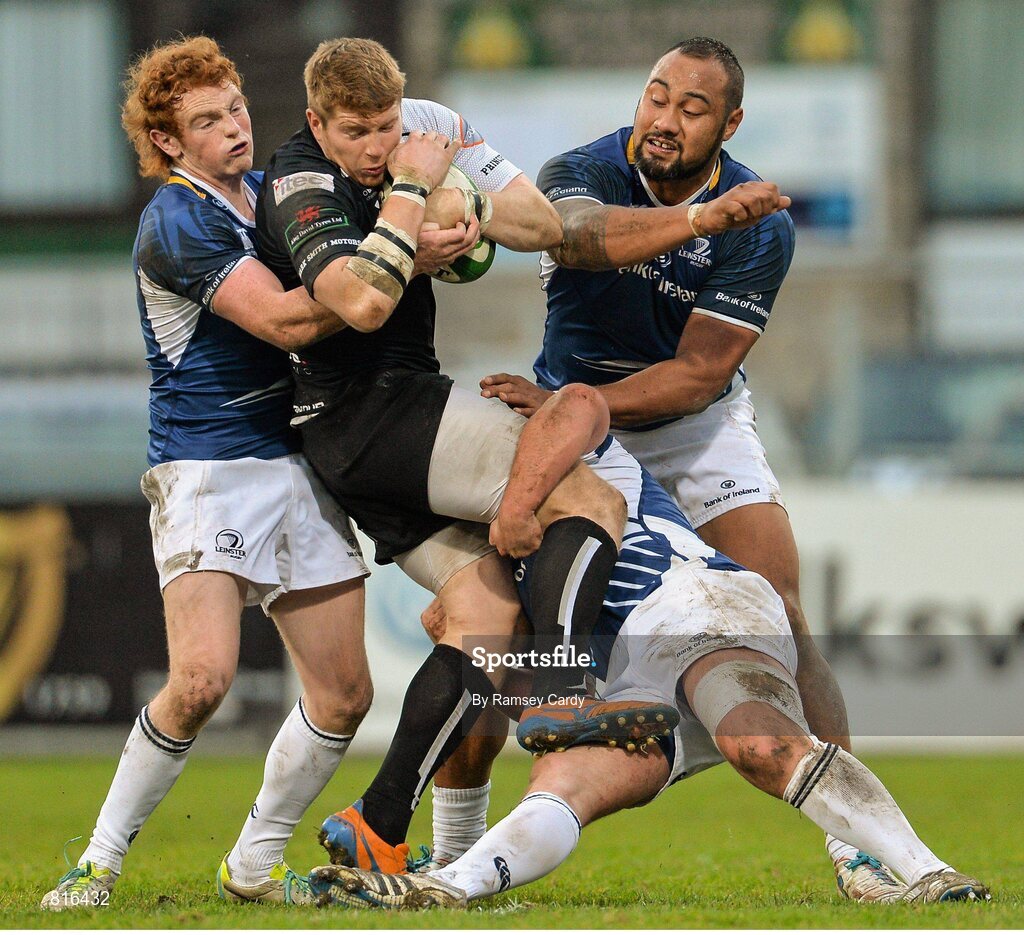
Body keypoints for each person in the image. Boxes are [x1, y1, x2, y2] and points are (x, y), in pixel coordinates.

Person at [255, 37, 694, 876]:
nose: (379, 146)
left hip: (377, 439)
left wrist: (470, 210)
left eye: (388, 126)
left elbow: (547, 225)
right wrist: (415, 194)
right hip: (372, 412)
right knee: (587, 499)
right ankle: (564, 691)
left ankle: (377, 823)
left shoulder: (430, 128)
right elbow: (359, 301)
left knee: (486, 625)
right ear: (318, 121)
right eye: (357, 133)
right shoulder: (299, 177)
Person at [306, 388, 991, 910]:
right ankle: (446, 885)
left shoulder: (542, 453)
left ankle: (931, 873)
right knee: (562, 783)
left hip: (694, 607)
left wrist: (517, 497)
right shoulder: (490, 558)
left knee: (757, 743)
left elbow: (581, 403)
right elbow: (502, 680)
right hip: (633, 680)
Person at [478, 35, 879, 899]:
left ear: (728, 124)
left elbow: (699, 373)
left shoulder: (759, 219)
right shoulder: (579, 170)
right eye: (656, 96)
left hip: (692, 425)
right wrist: (572, 412)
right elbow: (579, 240)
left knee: (782, 611)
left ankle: (862, 847)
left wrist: (576, 405)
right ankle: (452, 840)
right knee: (488, 618)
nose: (665, 118)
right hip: (575, 421)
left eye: (692, 108)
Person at [40, 36, 397, 910]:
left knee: (346, 691)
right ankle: (98, 861)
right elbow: (281, 319)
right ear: (168, 142)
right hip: (209, 467)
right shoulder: (179, 217)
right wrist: (392, 260)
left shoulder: (264, 194)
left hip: (294, 465)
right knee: (200, 681)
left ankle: (250, 863)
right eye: (206, 120)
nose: (234, 126)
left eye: (234, 106)